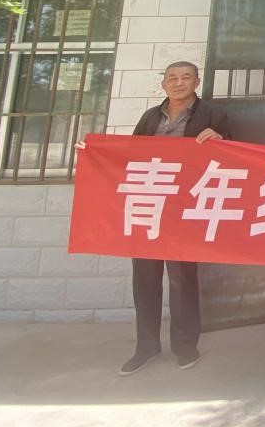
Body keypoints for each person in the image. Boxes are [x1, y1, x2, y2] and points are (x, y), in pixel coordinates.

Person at [75, 61, 230, 377]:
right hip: (148, 206)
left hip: (184, 207)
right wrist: (94, 153)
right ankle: (146, 347)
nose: (178, 82)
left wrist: (221, 140)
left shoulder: (213, 115)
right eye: (172, 78)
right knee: (144, 280)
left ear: (196, 81)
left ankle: (185, 346)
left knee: (182, 280)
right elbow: (130, 154)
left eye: (185, 77)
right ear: (163, 84)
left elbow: (235, 155)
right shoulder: (150, 117)